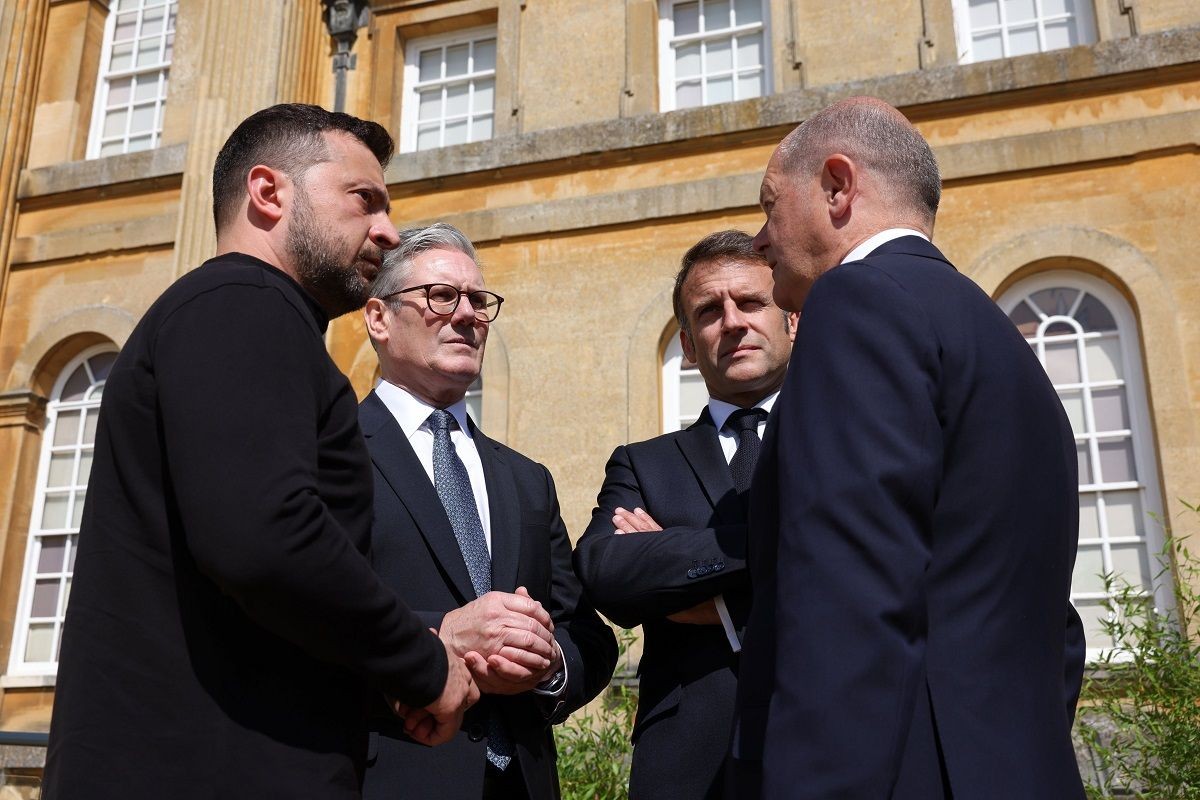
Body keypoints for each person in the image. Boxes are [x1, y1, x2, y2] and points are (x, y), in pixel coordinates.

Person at [43, 104, 478, 800]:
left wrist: (386, 688)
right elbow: (267, 536)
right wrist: (421, 663)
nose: (388, 232)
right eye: (363, 200)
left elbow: (243, 614)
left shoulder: (237, 315)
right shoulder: (244, 302)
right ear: (269, 193)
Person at [731, 96, 1087, 799]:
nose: (759, 240)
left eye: (770, 206)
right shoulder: (998, 340)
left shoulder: (854, 302)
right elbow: (1057, 631)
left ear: (837, 186)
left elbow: (849, 595)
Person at [358, 222, 618, 800]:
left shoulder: (526, 479)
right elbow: (295, 623)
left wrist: (549, 667)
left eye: (479, 301)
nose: (468, 315)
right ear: (378, 317)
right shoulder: (331, 454)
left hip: (523, 780)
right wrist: (433, 648)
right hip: (388, 775)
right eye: (441, 296)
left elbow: (584, 631)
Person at [573, 230, 795, 799]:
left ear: (791, 320)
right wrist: (789, 546)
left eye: (751, 303)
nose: (733, 322)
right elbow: (605, 570)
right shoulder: (645, 464)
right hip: (687, 766)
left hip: (827, 742)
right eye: (709, 311)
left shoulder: (841, 437)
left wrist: (713, 597)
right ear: (691, 345)